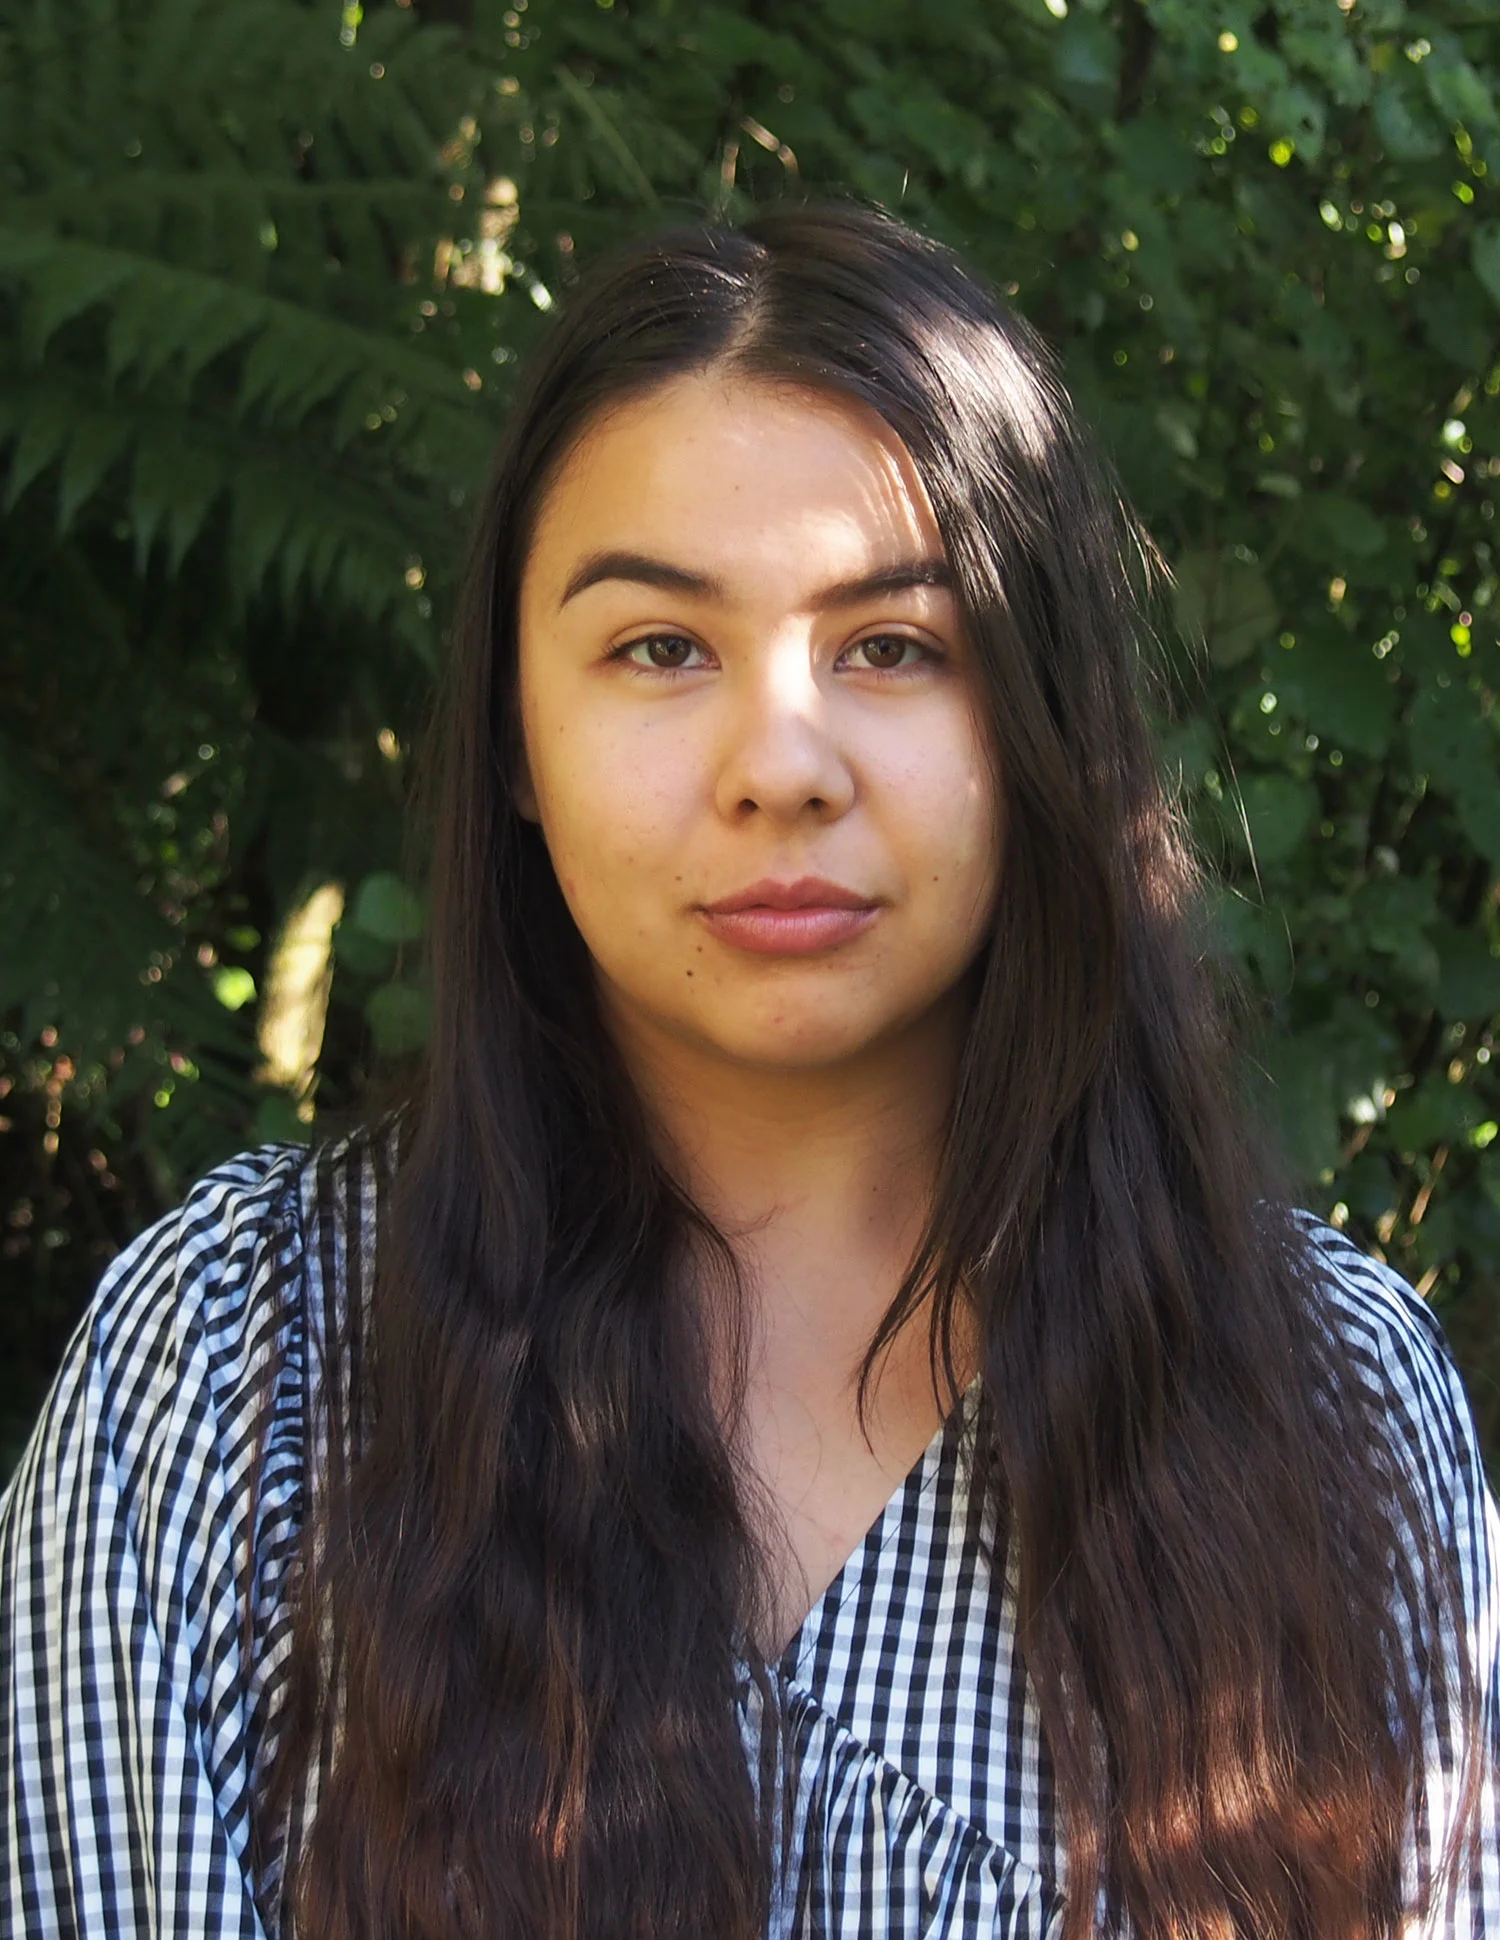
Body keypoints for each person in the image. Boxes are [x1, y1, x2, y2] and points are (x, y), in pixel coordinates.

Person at [1, 198, 1496, 1940]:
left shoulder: (1336, 1412)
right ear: (515, 743)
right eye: (660, 648)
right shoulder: (237, 1374)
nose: (780, 764)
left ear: (1042, 725)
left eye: (894, 647)